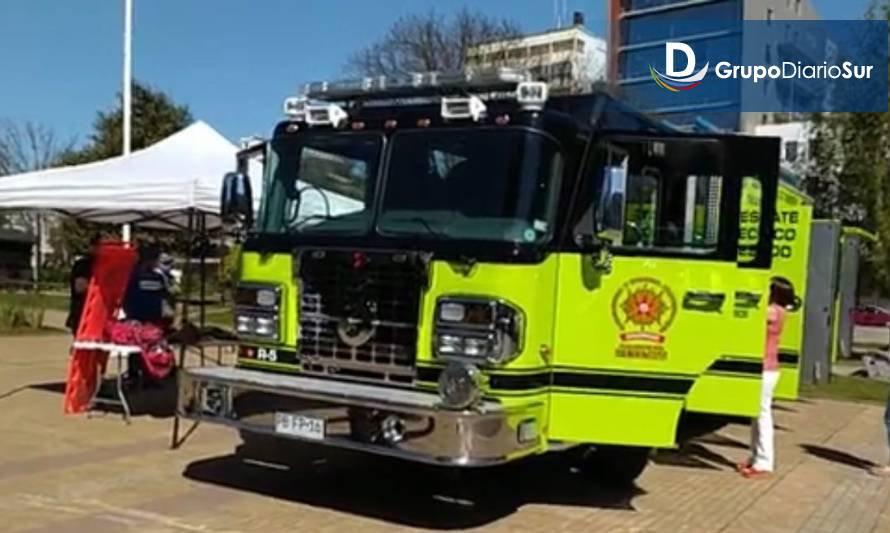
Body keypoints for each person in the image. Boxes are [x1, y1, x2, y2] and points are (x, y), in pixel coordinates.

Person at [740, 276, 796, 479]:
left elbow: (753, 315)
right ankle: (755, 456)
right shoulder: (780, 311)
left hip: (766, 369)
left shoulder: (773, 311)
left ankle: (764, 461)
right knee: (756, 414)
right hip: (767, 368)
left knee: (762, 414)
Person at [65, 235, 101, 335]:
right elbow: (79, 287)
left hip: (99, 315)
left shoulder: (103, 265)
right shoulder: (83, 264)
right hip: (82, 313)